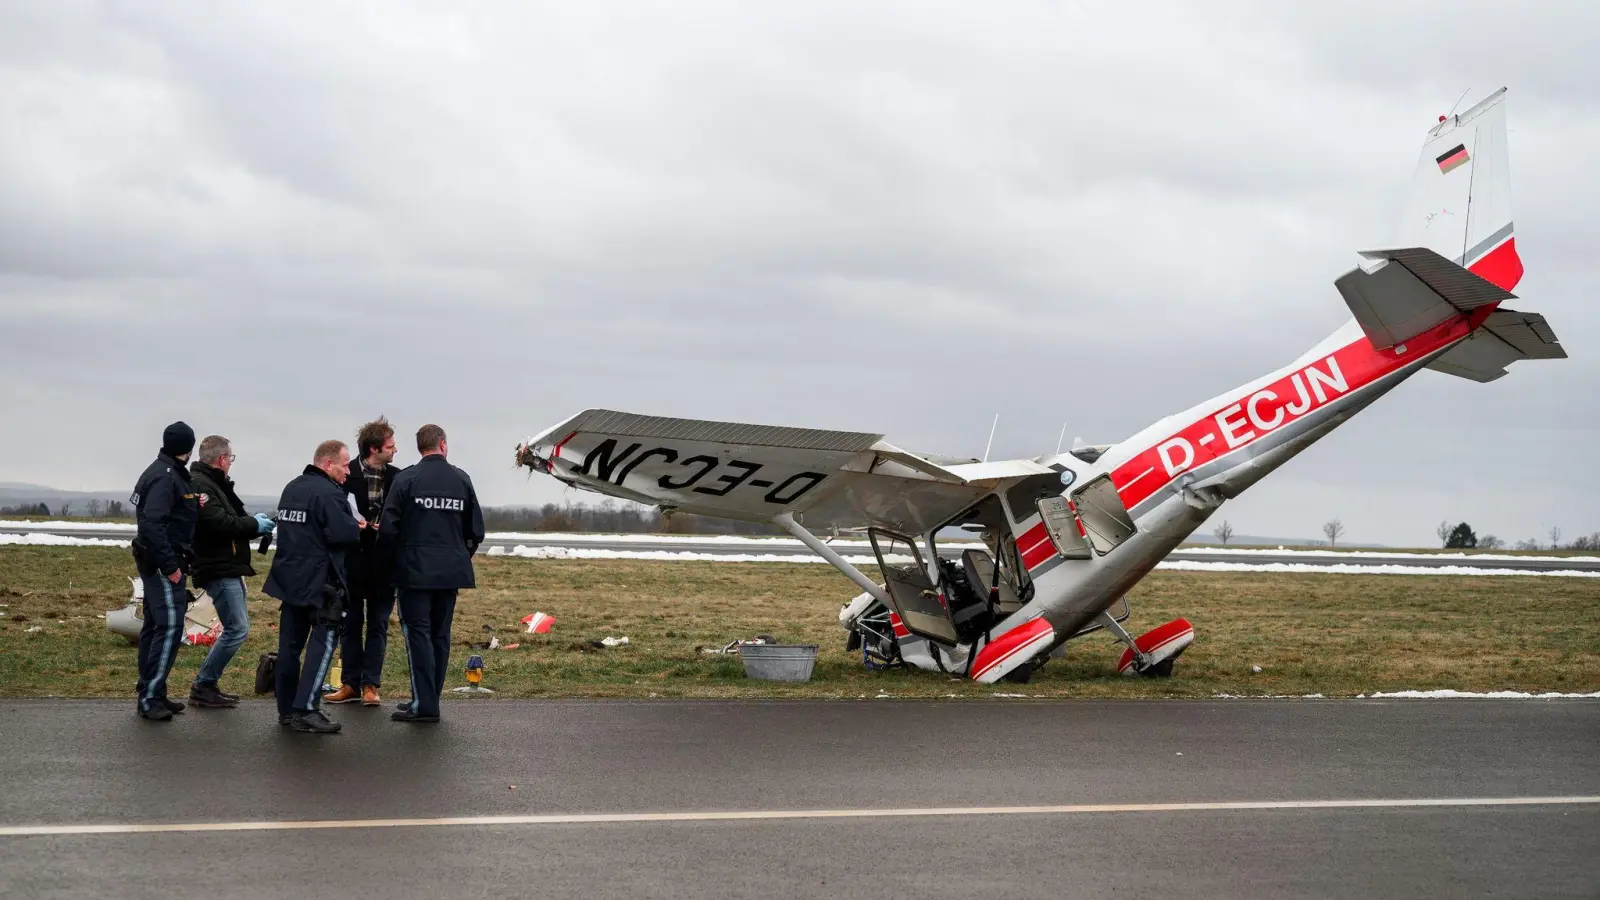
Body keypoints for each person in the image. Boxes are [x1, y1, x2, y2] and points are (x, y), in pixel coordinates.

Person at [381, 424, 484, 724]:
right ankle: (428, 699)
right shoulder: (461, 479)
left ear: (420, 447)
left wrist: (393, 564)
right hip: (450, 572)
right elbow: (476, 530)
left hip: (414, 572)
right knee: (440, 636)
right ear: (442, 444)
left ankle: (424, 704)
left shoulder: (406, 479)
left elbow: (389, 529)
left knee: (418, 635)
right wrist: (459, 555)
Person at [263, 440, 362, 734]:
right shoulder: (329, 493)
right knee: (322, 645)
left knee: (289, 647)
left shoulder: (292, 488)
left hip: (289, 580)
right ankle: (306, 708)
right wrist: (357, 526)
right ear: (328, 463)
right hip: (321, 584)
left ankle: (286, 710)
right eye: (345, 465)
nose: (348, 471)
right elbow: (344, 535)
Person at [185, 435, 276, 708]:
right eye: (230, 458)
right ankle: (203, 685)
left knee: (236, 628)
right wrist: (254, 526)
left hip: (227, 566)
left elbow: (233, 521)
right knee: (237, 629)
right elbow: (219, 523)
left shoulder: (214, 484)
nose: (230, 463)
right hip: (218, 567)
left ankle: (207, 685)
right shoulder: (202, 486)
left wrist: (250, 524)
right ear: (222, 459)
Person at [325, 417, 402, 707]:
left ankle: (371, 684)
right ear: (373, 449)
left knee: (378, 625)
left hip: (385, 564)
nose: (395, 451)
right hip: (352, 563)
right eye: (390, 446)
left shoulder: (398, 476)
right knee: (351, 624)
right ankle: (349, 683)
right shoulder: (347, 474)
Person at [129, 421, 201, 722]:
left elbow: (166, 514)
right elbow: (153, 524)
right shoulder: (165, 476)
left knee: (154, 626)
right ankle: (150, 698)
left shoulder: (164, 471)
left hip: (156, 560)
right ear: (189, 447)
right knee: (169, 628)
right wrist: (170, 566)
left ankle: (152, 690)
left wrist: (194, 503)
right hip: (162, 563)